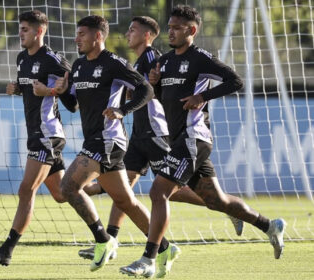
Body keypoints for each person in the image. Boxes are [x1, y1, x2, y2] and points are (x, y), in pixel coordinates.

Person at [120, 5, 286, 278]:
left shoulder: (201, 59)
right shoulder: (167, 62)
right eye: (170, 27)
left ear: (192, 30)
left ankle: (150, 258)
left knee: (157, 193)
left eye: (176, 28)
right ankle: (270, 225)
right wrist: (156, 84)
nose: (170, 32)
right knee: (215, 200)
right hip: (180, 141)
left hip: (194, 138)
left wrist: (203, 97)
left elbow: (236, 81)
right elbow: (166, 100)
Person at [78, 16, 244, 277]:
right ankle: (111, 240)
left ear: (147, 35)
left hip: (156, 135)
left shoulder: (153, 59)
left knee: (168, 192)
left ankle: (224, 207)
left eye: (132, 30)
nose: (127, 34)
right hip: (139, 135)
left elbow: (150, 92)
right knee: (126, 192)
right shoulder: (142, 62)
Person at [43, 14, 182, 273]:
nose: (76, 39)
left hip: (107, 139)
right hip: (100, 140)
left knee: (67, 188)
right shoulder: (79, 66)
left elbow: (147, 90)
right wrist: (62, 92)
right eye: (77, 34)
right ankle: (164, 247)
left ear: (98, 36)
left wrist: (123, 110)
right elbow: (73, 105)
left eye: (82, 34)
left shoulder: (115, 64)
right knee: (125, 202)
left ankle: (103, 240)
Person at [0, 10, 81, 266]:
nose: (20, 33)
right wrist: (17, 89)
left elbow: (73, 101)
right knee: (61, 193)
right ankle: (105, 224)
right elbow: (32, 90)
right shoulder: (22, 58)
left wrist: (52, 90)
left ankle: (6, 251)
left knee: (26, 189)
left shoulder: (54, 60)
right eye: (20, 28)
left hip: (48, 134)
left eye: (25, 29)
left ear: (40, 31)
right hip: (36, 134)